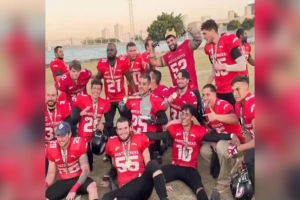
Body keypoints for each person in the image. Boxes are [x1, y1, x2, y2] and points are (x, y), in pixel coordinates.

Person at [144, 104, 239, 200]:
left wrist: (230, 136)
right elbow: (158, 136)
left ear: (192, 118)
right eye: (182, 114)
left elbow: (214, 137)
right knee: (154, 175)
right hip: (175, 166)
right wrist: (140, 134)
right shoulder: (175, 128)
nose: (184, 117)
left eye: (187, 115)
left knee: (199, 189)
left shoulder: (198, 130)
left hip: (190, 168)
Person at [101, 117, 169, 200]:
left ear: (130, 128)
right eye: (120, 129)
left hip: (141, 184)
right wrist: (109, 177)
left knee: (153, 163)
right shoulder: (111, 143)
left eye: (125, 128)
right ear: (117, 131)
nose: (123, 132)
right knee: (106, 197)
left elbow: (149, 164)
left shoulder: (140, 138)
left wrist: (161, 184)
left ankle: (164, 198)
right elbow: (114, 165)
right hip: (125, 189)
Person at [148, 27, 205, 124]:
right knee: (180, 118)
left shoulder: (186, 45)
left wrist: (188, 28)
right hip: (178, 91)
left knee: (201, 117)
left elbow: (199, 39)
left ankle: (208, 136)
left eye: (172, 40)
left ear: (176, 39)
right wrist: (152, 49)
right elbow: (153, 62)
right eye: (168, 42)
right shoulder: (168, 56)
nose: (170, 43)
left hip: (192, 89)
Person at [200, 83, 244, 200]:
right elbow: (213, 129)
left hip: (236, 140)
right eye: (203, 95)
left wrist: (217, 117)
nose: (205, 98)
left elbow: (235, 118)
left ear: (215, 94)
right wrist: (213, 142)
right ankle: (232, 165)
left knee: (220, 146)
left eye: (208, 94)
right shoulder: (207, 108)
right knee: (204, 150)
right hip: (222, 140)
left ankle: (223, 181)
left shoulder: (223, 104)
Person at [119, 74, 168, 162]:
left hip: (148, 140)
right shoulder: (133, 97)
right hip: (134, 138)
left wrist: (154, 121)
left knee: (148, 165)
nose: (141, 86)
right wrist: (122, 109)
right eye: (139, 83)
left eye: (144, 84)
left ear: (149, 86)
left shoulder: (155, 99)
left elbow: (164, 120)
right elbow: (128, 117)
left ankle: (158, 149)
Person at [45, 122, 99, 200]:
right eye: (58, 135)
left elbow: (86, 170)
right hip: (63, 181)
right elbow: (51, 173)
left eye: (63, 135)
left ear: (69, 134)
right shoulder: (51, 148)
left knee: (92, 186)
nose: (60, 139)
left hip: (78, 179)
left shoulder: (78, 143)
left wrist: (74, 189)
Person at [202, 19, 246, 107]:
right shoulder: (209, 47)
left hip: (232, 90)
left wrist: (224, 67)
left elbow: (242, 66)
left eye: (205, 33)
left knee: (236, 118)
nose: (203, 37)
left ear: (212, 31)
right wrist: (207, 86)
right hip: (219, 91)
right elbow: (213, 70)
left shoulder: (227, 40)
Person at [96, 43, 136, 138]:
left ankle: (128, 138)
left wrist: (134, 94)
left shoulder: (122, 63)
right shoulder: (102, 64)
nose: (109, 52)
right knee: (109, 124)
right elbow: (97, 79)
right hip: (109, 100)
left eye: (111, 50)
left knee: (128, 119)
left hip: (121, 99)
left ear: (116, 51)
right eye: (108, 50)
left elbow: (130, 79)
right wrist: (97, 91)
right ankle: (112, 140)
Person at [71, 79, 111, 171]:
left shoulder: (104, 103)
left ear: (101, 91)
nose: (96, 91)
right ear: (90, 89)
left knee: (90, 168)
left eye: (98, 89)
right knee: (84, 168)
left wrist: (103, 125)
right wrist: (81, 113)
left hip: (94, 138)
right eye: (94, 88)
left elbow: (110, 122)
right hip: (82, 138)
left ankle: (108, 154)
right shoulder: (82, 99)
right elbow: (73, 120)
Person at [229, 75, 255, 191]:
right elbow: (249, 133)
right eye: (233, 90)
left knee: (251, 158)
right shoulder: (239, 104)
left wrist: (238, 148)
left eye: (238, 89)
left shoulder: (252, 103)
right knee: (248, 157)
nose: (234, 93)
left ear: (247, 88)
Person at [45, 86, 72, 173]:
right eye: (48, 95)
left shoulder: (63, 106)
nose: (50, 98)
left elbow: (69, 128)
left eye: (53, 95)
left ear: (57, 97)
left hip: (60, 142)